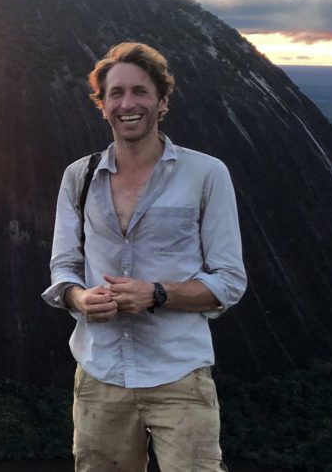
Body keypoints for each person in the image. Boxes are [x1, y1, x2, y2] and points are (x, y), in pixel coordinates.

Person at [42, 42, 247, 472]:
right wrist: (79, 300)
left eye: (140, 91)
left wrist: (156, 294)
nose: (127, 103)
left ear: (162, 101)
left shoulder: (206, 175)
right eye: (115, 93)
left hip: (180, 377)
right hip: (100, 376)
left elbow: (229, 281)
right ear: (102, 105)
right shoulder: (79, 177)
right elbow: (63, 267)